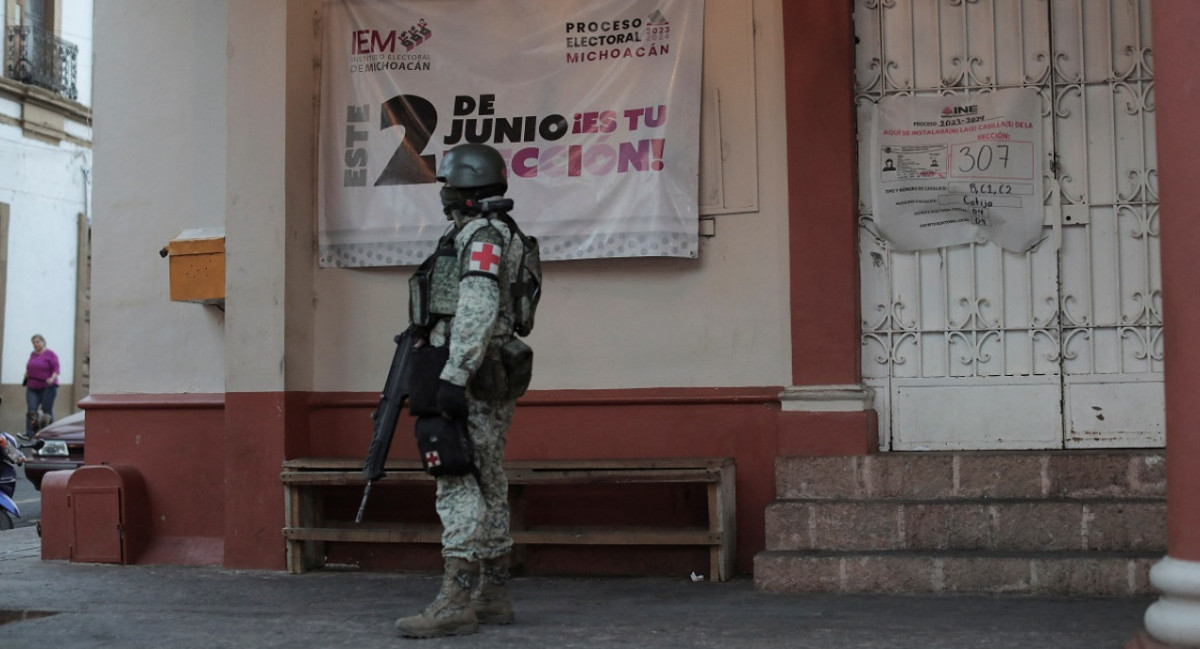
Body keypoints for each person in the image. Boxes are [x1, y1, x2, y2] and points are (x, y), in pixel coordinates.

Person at [394, 144, 525, 639]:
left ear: (460, 189)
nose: (443, 192)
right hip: (485, 374)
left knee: (457, 478)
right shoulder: (490, 232)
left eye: (446, 184)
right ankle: (492, 594)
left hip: (466, 374)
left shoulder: (483, 236)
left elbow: (477, 305)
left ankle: (455, 601)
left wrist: (453, 374)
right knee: (488, 478)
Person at [22, 334, 60, 440]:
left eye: (37, 342)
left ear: (43, 342)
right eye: (33, 342)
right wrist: (27, 374)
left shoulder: (50, 354)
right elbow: (30, 367)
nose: (35, 344)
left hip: (48, 386)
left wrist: (52, 378)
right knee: (32, 410)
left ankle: (49, 433)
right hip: (32, 386)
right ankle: (30, 434)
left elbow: (56, 369)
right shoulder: (33, 354)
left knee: (47, 410)